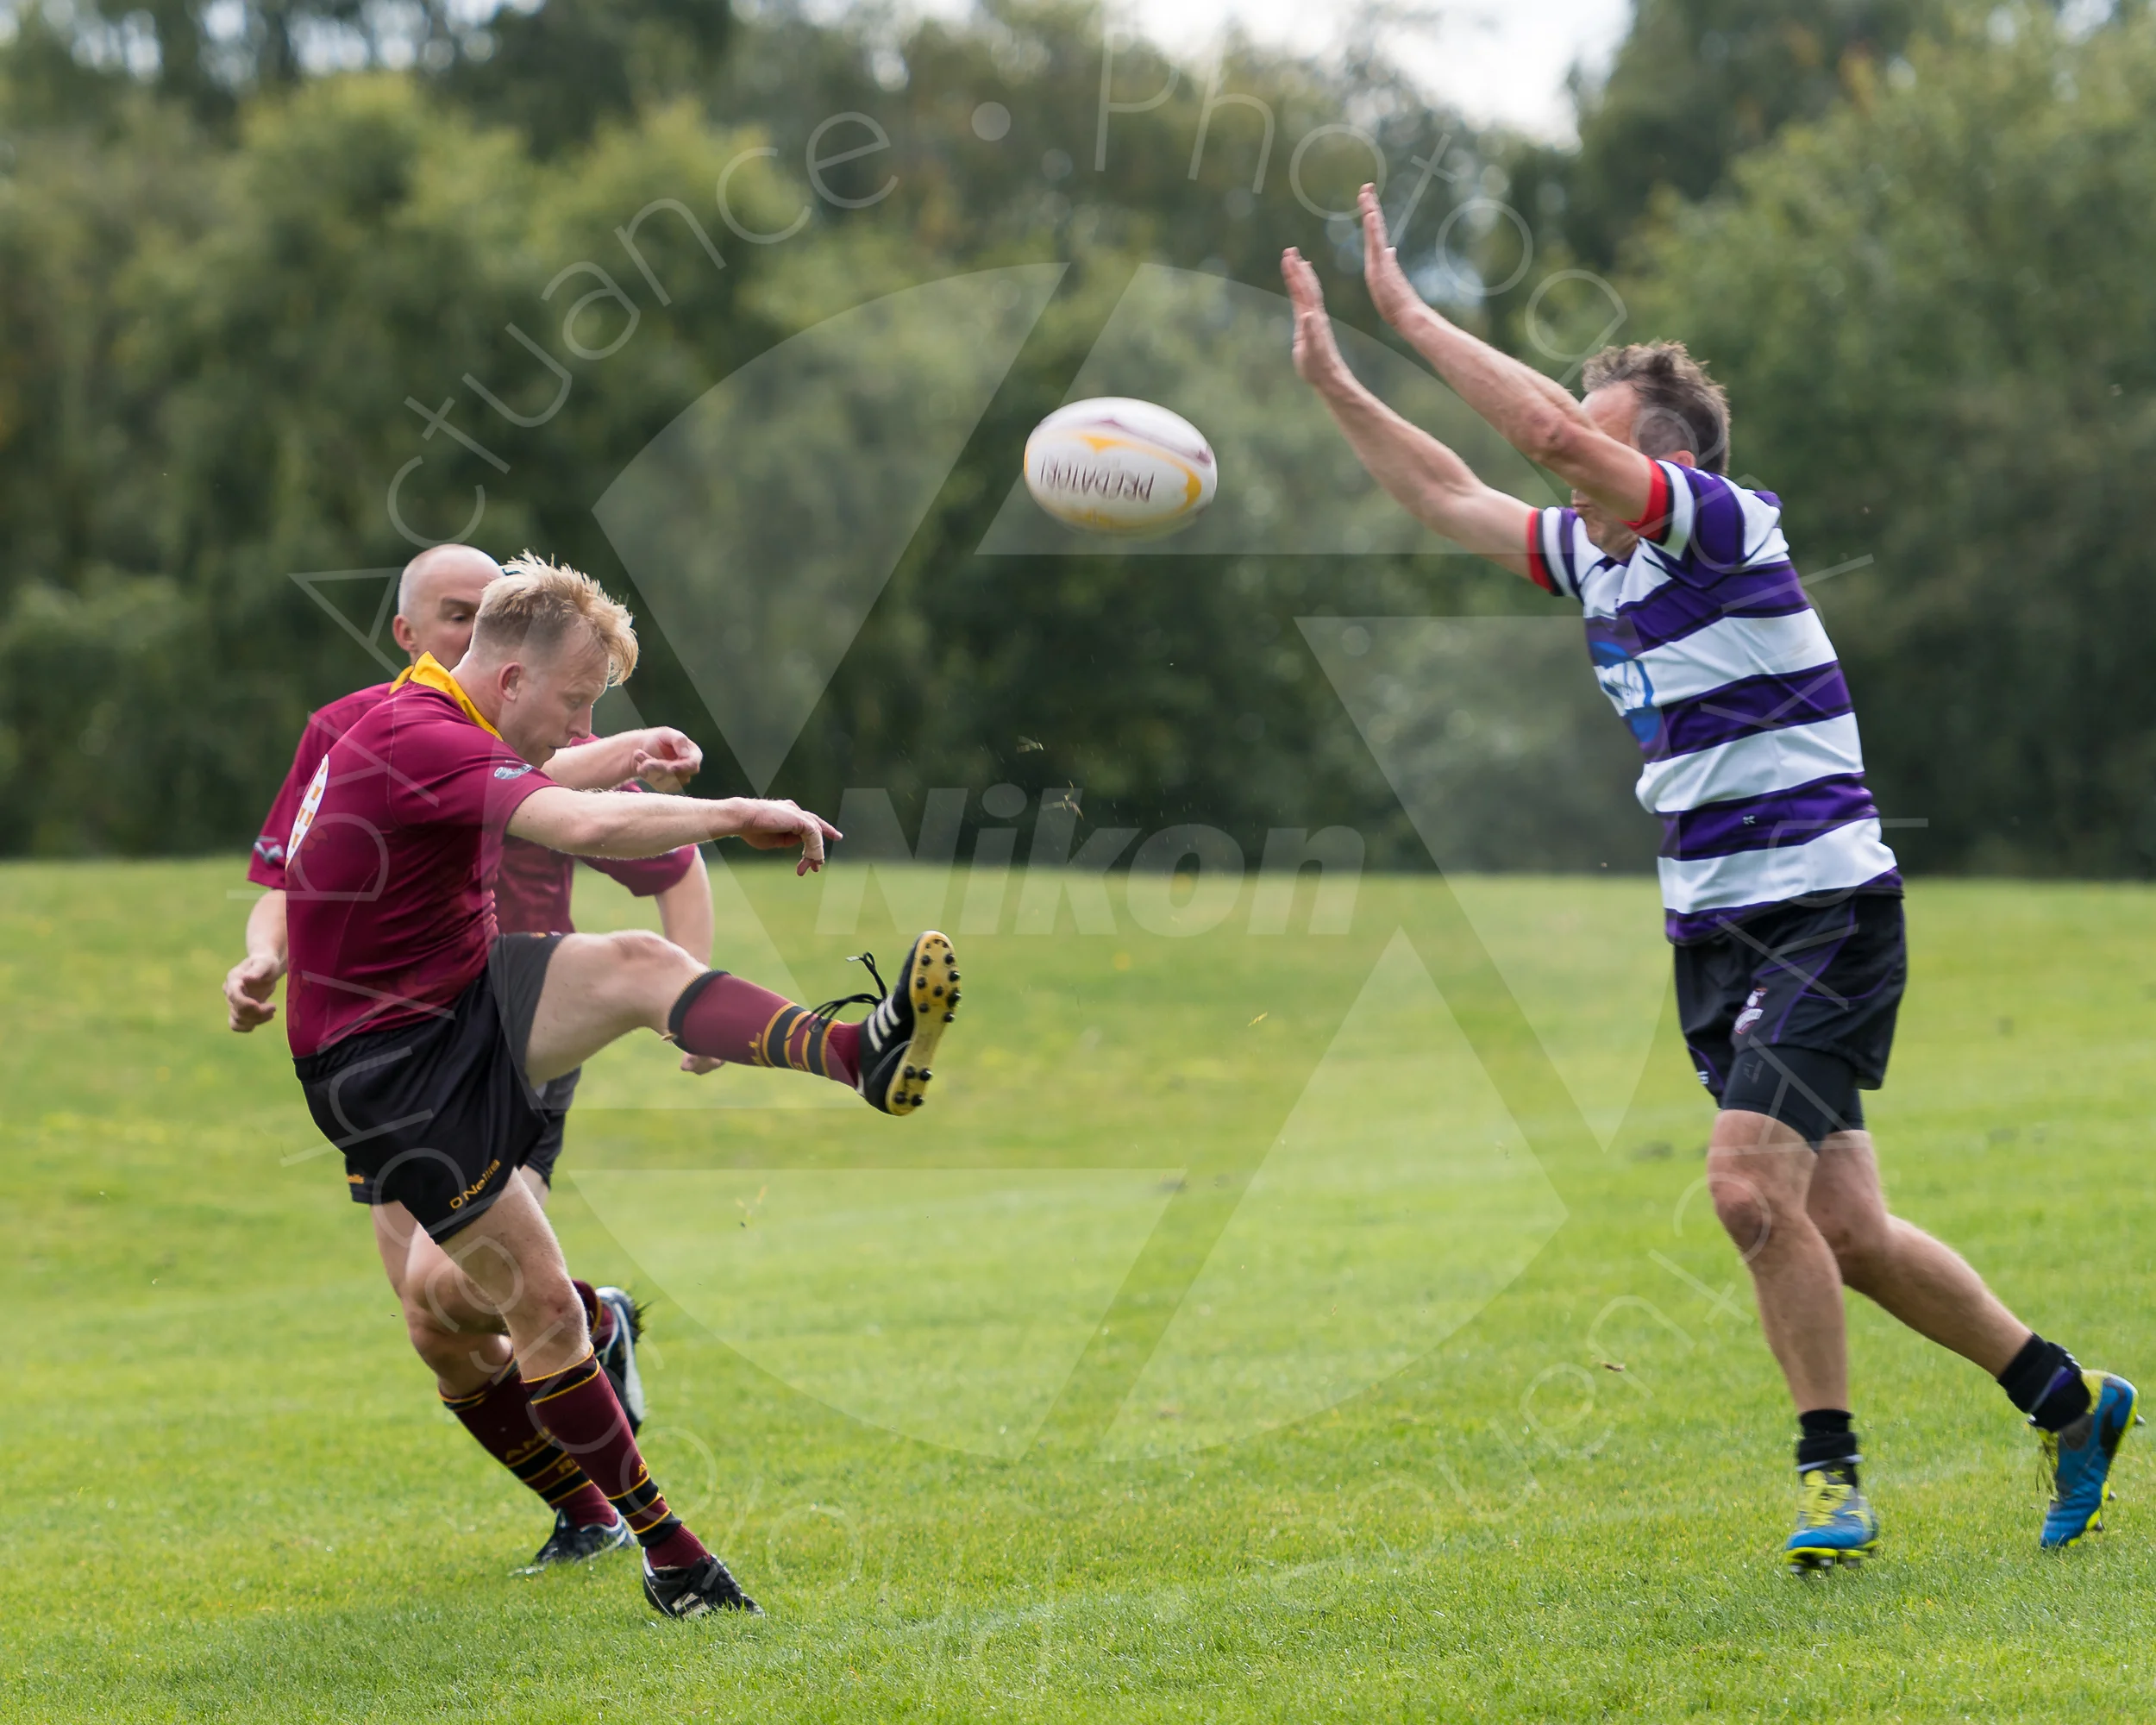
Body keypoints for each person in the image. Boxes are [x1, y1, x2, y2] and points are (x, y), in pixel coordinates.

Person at [1282, 188, 2136, 1570]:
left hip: (1823, 913)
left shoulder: (1719, 530)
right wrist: (1335, 384)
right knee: (1842, 1228)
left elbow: (1542, 436)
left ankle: (1832, 1482)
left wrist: (1410, 316)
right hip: (1717, 929)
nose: (1565, 455)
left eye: (1595, 436)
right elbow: (1447, 490)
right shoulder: (1596, 561)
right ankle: (2071, 1401)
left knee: (1745, 1190)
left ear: (1662, 460)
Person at [277, 554, 959, 1616]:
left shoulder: (448, 718)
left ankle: (858, 1056)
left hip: (467, 994)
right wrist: (740, 810)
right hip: (385, 1067)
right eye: (577, 702)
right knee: (520, 1306)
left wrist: (628, 747)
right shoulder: (416, 735)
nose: (580, 723)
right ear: (507, 684)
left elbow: (559, 786)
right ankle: (666, 1549)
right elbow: (585, 825)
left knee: (638, 962)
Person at [223, 543, 718, 1573]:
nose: (472, 629)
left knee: (465, 1284)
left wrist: (694, 995)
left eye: (486, 609)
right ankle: (591, 1499)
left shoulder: (551, 732)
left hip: (507, 1029)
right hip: (381, 1046)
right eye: (454, 613)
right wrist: (263, 957)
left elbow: (672, 863)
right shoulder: (357, 729)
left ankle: (599, 1388)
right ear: (410, 636)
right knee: (434, 1320)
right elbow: (291, 869)